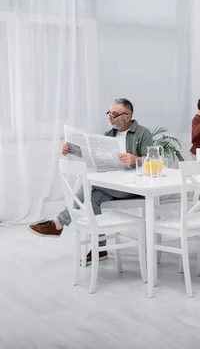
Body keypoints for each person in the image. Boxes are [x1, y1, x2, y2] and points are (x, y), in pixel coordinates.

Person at [29, 98, 154, 263]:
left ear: (128, 116)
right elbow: (94, 159)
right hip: (112, 185)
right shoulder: (109, 135)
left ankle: (59, 222)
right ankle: (99, 248)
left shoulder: (143, 133)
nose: (110, 117)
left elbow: (153, 161)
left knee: (90, 183)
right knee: (92, 198)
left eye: (114, 114)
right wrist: (71, 150)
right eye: (109, 113)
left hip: (133, 187)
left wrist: (135, 159)